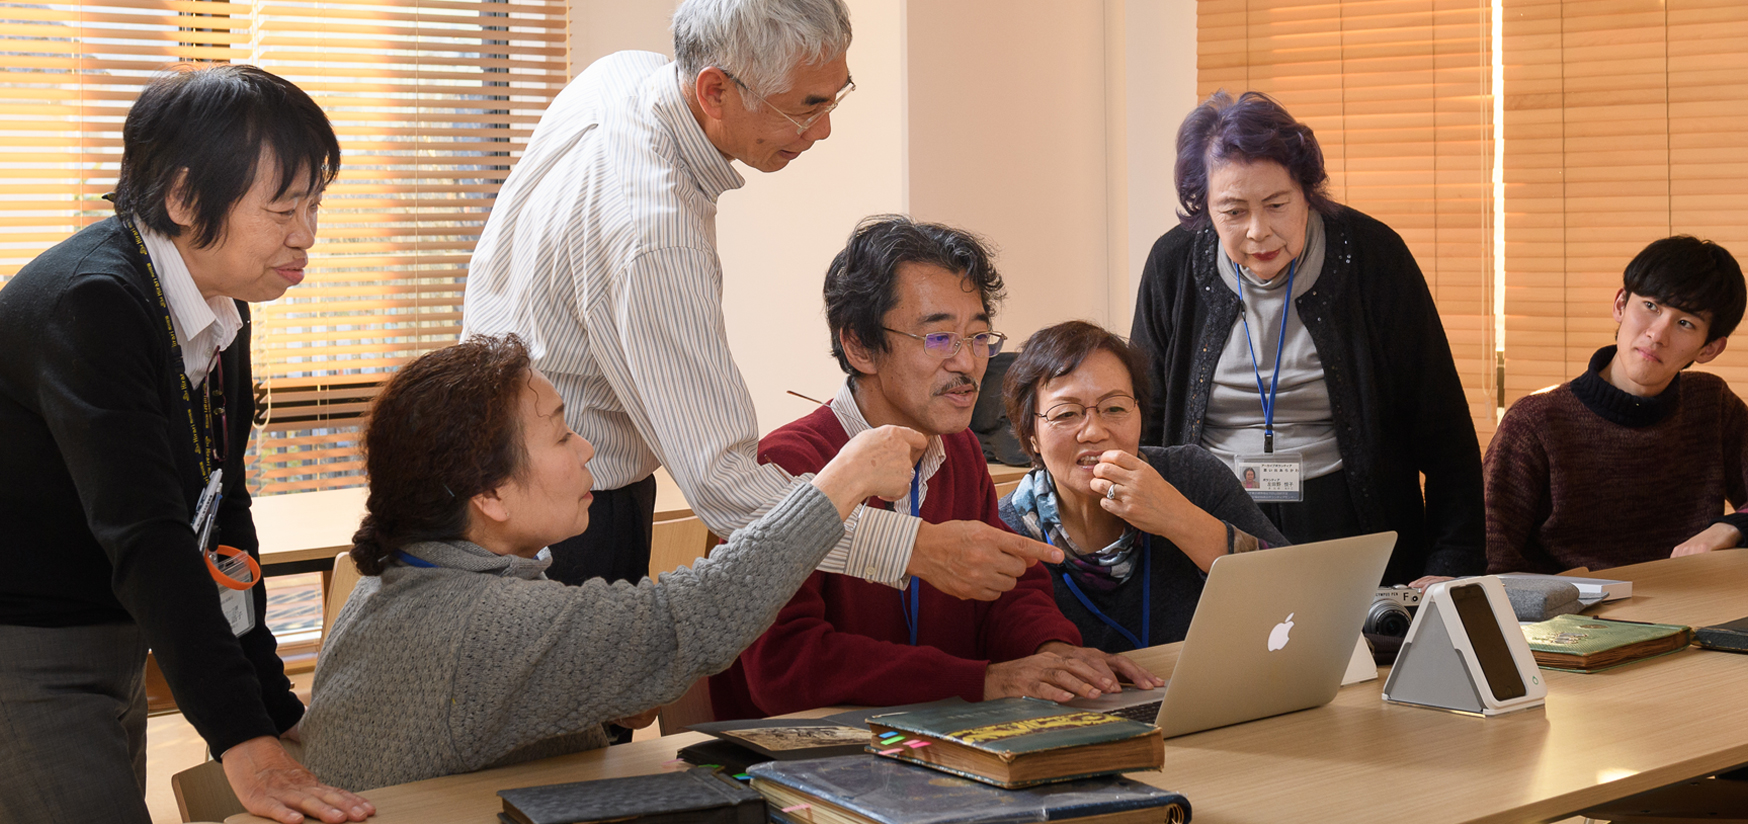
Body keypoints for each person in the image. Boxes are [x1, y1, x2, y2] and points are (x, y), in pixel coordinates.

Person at [461, 0, 1053, 603]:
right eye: (806, 106)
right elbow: (724, 488)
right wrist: (916, 547)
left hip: (503, 482)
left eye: (834, 96)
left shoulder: (622, 75)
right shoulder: (654, 231)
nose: (822, 129)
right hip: (568, 519)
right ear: (714, 89)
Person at [297, 334, 922, 790]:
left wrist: (587, 692)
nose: (588, 446)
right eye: (563, 435)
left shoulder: (402, 585)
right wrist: (840, 482)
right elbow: (696, 614)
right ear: (487, 495)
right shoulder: (481, 622)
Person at [0, 66, 372, 824]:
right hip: (27, 642)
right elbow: (150, 536)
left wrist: (269, 702)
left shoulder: (216, 295)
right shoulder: (95, 304)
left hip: (113, 627)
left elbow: (220, 512)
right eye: (282, 208)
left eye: (313, 205)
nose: (306, 234)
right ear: (181, 197)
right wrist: (242, 738)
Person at [708, 217, 1163, 720]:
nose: (968, 364)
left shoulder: (959, 449)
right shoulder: (788, 465)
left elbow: (1007, 585)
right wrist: (980, 682)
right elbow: (785, 671)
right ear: (860, 345)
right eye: (940, 338)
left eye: (979, 336)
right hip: (808, 765)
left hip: (938, 742)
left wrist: (1048, 652)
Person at [1130, 90, 1484, 586]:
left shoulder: (1374, 258)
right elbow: (1144, 424)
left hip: (1348, 521)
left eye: (1277, 204)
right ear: (1203, 207)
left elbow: (1445, 435)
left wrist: (1451, 566)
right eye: (1232, 211)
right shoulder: (1172, 265)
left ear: (1307, 190)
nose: (1258, 232)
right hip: (1208, 524)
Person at [997, 321, 1288, 651]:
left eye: (1115, 408)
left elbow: (1296, 593)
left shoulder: (1191, 477)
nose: (1093, 431)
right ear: (1031, 435)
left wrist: (1177, 517)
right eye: (1066, 414)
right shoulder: (1005, 532)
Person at [1485, 236, 1748, 574]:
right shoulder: (1535, 422)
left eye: (1685, 323)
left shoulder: (1712, 405)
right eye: (1650, 306)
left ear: (1709, 348)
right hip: (1569, 622)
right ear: (1621, 304)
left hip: (1689, 613)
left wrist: (1731, 527)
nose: (1657, 333)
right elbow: (1489, 565)